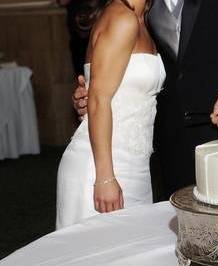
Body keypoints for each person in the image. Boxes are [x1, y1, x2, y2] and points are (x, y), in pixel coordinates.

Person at [72, 0, 218, 202]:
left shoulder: (142, 13)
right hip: (160, 149)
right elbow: (102, 89)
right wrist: (91, 95)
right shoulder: (130, 14)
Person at [56, 0, 165, 229]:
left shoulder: (141, 19)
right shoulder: (121, 18)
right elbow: (98, 99)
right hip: (103, 168)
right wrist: (105, 177)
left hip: (134, 166)